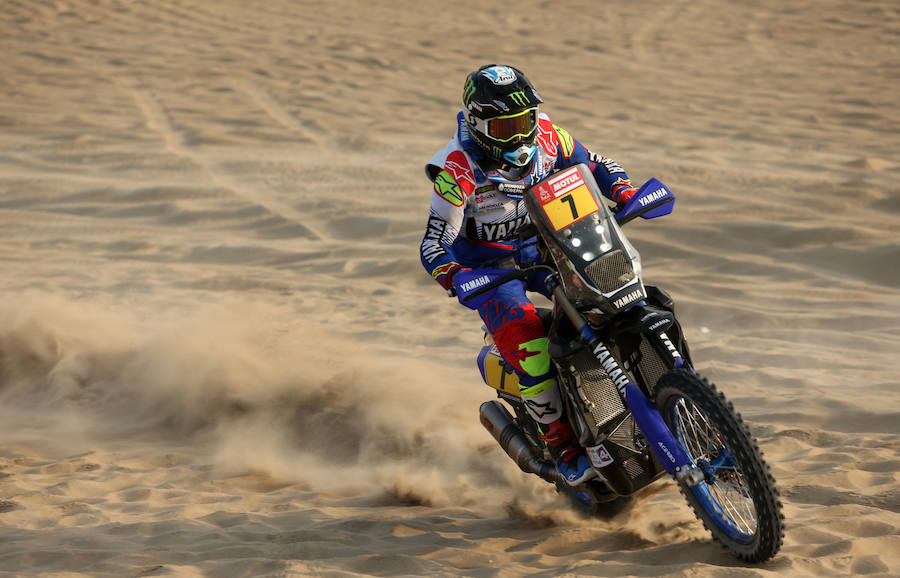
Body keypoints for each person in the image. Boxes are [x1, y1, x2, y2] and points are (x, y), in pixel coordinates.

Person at [419, 64, 639, 486]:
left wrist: (624, 192)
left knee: (614, 298)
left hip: (549, 243)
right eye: (505, 127)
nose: (520, 135)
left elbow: (598, 163)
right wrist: (452, 275)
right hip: (488, 270)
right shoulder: (457, 172)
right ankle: (562, 445)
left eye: (524, 121)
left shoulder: (551, 138)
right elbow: (432, 244)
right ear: (480, 124)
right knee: (531, 346)